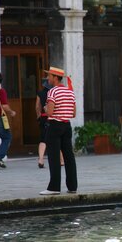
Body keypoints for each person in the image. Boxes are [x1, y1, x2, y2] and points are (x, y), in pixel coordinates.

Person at [40, 66, 77, 195]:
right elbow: (73, 113)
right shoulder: (70, 91)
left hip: (55, 126)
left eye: (49, 76)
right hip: (67, 126)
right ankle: (72, 186)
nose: (48, 78)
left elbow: (49, 111)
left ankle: (54, 187)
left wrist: (45, 108)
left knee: (54, 157)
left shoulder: (53, 92)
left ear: (55, 77)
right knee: (69, 157)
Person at [35, 78, 64, 169]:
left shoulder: (40, 93)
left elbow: (37, 106)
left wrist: (38, 116)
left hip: (44, 117)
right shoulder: (54, 93)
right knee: (57, 138)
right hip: (54, 117)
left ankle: (40, 159)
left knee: (43, 138)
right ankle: (61, 160)